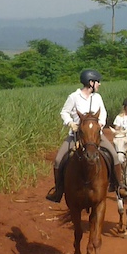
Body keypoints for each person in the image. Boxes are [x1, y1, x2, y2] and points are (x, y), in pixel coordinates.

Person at [45, 68, 119, 202]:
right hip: (77, 135)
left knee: (114, 155)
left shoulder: (97, 97)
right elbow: (64, 112)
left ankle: (119, 186)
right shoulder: (73, 97)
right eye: (97, 82)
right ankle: (58, 190)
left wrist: (101, 124)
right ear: (90, 82)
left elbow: (103, 112)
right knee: (58, 160)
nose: (99, 84)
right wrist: (71, 123)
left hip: (96, 135)